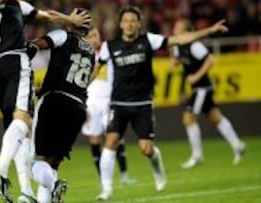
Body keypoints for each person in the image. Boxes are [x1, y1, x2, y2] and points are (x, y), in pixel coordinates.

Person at [96, 6, 229, 200]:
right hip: (118, 104)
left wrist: (208, 31)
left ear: (139, 23)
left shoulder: (148, 40)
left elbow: (179, 39)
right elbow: (95, 67)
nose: (129, 24)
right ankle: (106, 190)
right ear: (121, 24)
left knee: (146, 149)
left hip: (142, 104)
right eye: (126, 21)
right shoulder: (110, 46)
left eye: (133, 20)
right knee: (110, 142)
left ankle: (158, 172)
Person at [0, 0, 91, 202]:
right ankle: (1, 171)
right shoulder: (13, 4)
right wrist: (71, 19)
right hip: (16, 60)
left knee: (19, 128)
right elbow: (48, 17)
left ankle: (27, 192)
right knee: (23, 121)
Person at [29, 10, 95, 203]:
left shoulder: (63, 36)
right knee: (53, 163)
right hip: (77, 108)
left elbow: (38, 45)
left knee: (37, 162)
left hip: (55, 102)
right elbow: (73, 80)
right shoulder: (90, 52)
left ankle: (54, 186)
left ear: (72, 23)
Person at [171, 18, 245, 169]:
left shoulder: (195, 45)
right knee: (216, 117)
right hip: (198, 89)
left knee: (188, 118)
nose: (175, 30)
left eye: (179, 28)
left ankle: (197, 156)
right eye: (175, 27)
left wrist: (196, 76)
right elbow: (177, 62)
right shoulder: (178, 46)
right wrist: (175, 61)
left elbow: (210, 60)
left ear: (188, 32)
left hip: (202, 88)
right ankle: (238, 145)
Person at [81, 27, 135, 184]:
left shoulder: (107, 50)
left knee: (116, 137)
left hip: (109, 100)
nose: (94, 39)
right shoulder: (82, 55)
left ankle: (124, 175)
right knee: (94, 139)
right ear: (85, 39)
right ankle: (101, 176)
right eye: (90, 36)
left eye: (96, 35)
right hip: (91, 102)